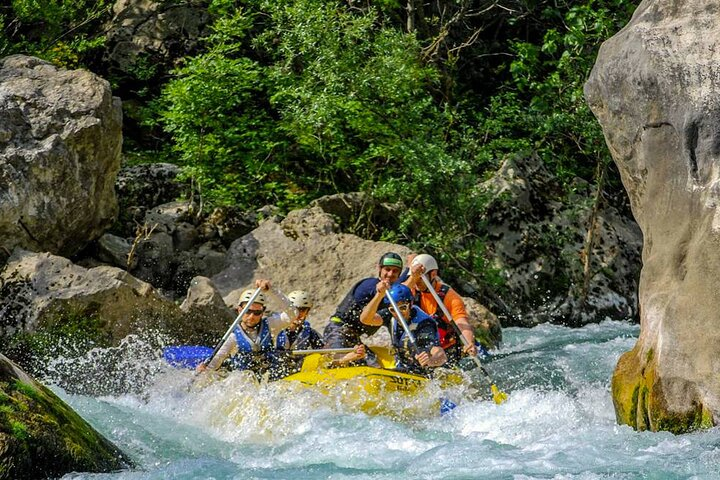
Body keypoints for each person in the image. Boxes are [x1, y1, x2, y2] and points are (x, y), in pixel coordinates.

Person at [197, 279, 292, 378]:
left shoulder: (271, 325)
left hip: (269, 378)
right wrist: (205, 369)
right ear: (239, 310)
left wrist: (271, 291)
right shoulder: (233, 336)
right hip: (244, 381)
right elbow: (216, 361)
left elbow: (293, 313)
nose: (251, 316)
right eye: (248, 311)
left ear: (262, 312)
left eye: (257, 312)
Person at [322, 252, 404, 361]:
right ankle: (342, 359)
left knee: (373, 362)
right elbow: (377, 294)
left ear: (399, 274)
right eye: (387, 269)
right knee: (338, 360)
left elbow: (403, 288)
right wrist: (380, 293)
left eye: (395, 271)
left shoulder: (393, 292)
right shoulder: (369, 284)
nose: (390, 274)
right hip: (337, 329)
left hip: (354, 337)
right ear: (379, 269)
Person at [404, 253, 478, 366]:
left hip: (447, 350)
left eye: (420, 278)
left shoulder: (450, 297)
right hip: (423, 344)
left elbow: (461, 323)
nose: (417, 281)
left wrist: (469, 342)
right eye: (416, 278)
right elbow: (396, 295)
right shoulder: (412, 289)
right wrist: (413, 277)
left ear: (433, 274)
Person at [359, 283, 447, 374]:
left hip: (423, 373)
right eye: (393, 310)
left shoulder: (424, 324)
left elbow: (440, 354)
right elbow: (365, 319)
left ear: (411, 303)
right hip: (402, 369)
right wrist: (379, 295)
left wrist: (430, 361)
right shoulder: (390, 314)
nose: (398, 313)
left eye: (403, 308)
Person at [275, 290, 365, 376]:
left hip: (295, 376)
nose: (297, 314)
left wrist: (349, 357)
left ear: (307, 312)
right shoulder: (273, 328)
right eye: (294, 309)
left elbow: (328, 362)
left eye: (302, 310)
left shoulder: (310, 334)